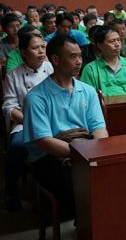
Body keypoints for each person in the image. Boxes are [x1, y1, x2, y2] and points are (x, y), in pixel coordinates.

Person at [23, 35, 107, 219]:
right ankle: (87, 228)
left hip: (84, 149)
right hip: (49, 158)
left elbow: (99, 129)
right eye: (72, 56)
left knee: (114, 175)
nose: (79, 61)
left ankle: (102, 226)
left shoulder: (87, 91)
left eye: (80, 56)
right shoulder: (36, 98)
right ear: (55, 59)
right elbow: (44, 141)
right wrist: (82, 155)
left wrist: (95, 152)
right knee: (81, 183)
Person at [1, 30, 53, 211]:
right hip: (26, 123)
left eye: (43, 47)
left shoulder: (53, 68)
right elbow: (9, 107)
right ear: (23, 52)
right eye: (35, 48)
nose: (41, 51)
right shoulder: (13, 75)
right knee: (17, 147)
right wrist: (32, 120)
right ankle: (11, 193)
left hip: (55, 120)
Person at [80, 26, 126, 96]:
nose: (117, 44)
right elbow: (88, 96)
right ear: (100, 45)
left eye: (118, 40)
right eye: (112, 41)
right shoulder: (90, 69)